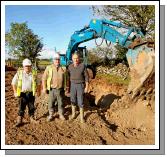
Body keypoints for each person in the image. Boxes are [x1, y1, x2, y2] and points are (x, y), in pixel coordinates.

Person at [11, 58, 40, 127]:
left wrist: (38, 92)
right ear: (23, 66)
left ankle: (31, 118)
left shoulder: (34, 73)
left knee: (31, 107)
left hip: (31, 93)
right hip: (22, 94)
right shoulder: (19, 73)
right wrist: (15, 92)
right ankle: (20, 119)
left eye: (29, 66)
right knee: (21, 107)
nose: (27, 67)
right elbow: (13, 83)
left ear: (31, 66)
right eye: (26, 66)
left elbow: (38, 83)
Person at [42, 53, 66, 122]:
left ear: (60, 60)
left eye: (58, 59)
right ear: (53, 60)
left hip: (61, 89)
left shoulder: (63, 68)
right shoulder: (49, 68)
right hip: (52, 89)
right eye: (56, 59)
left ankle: (61, 114)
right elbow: (44, 78)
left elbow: (66, 79)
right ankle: (51, 114)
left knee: (61, 102)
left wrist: (66, 88)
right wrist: (44, 88)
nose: (57, 61)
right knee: (51, 102)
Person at [68, 53, 89, 123]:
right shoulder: (70, 67)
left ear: (79, 58)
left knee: (80, 101)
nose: (76, 60)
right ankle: (73, 114)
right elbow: (68, 76)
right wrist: (67, 87)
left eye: (77, 58)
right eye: (74, 58)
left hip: (80, 85)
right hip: (72, 85)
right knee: (73, 100)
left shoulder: (82, 66)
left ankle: (81, 117)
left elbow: (86, 77)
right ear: (72, 59)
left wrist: (86, 87)